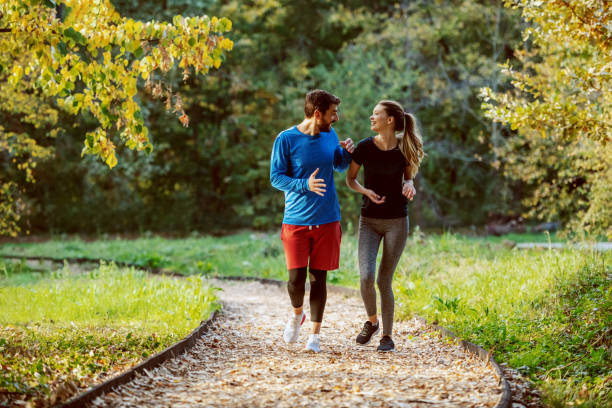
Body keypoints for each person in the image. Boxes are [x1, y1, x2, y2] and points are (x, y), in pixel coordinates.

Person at [270, 89, 355, 353]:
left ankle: (315, 337)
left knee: (320, 279)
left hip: (328, 219)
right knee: (296, 280)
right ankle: (297, 314)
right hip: (296, 221)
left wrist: (346, 154)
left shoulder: (331, 135)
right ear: (317, 114)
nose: (336, 118)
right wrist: (304, 185)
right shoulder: (286, 139)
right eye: (332, 113)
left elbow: (338, 166)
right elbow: (276, 177)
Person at [346, 100, 424, 352]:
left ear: (389, 120)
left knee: (383, 280)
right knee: (366, 276)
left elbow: (409, 178)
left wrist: (410, 184)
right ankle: (371, 322)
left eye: (376, 114)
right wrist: (365, 191)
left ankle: (387, 337)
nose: (371, 117)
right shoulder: (365, 147)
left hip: (396, 222)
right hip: (368, 220)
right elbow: (350, 179)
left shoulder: (405, 147)